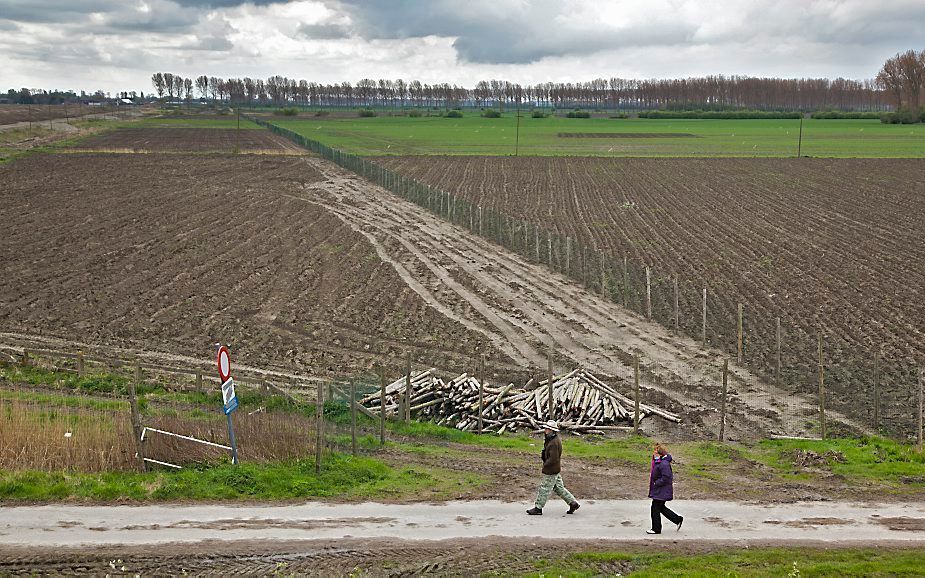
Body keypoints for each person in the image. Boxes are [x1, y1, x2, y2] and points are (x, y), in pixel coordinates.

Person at [527, 420, 580, 515]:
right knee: (559, 488)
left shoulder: (554, 442)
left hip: (551, 469)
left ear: (551, 430)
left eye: (547, 428)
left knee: (544, 488)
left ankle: (538, 508)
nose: (545, 430)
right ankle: (573, 503)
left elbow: (553, 459)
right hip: (555, 468)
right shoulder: (551, 439)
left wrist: (546, 465)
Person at [647, 443, 683, 534]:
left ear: (660, 453)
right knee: (661, 507)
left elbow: (667, 477)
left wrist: (656, 483)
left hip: (661, 489)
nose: (653, 452)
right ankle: (677, 519)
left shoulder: (664, 464)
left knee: (655, 508)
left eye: (655, 450)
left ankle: (656, 529)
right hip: (659, 489)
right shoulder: (659, 461)